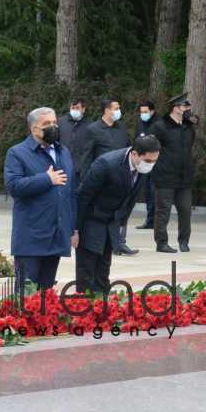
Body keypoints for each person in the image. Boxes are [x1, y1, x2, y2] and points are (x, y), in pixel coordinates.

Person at [4, 107, 78, 291]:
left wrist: (73, 228)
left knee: (46, 296)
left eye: (54, 123)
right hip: (31, 236)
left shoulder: (63, 152)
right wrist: (46, 179)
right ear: (33, 129)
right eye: (46, 124)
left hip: (57, 234)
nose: (52, 127)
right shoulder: (17, 153)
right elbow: (13, 186)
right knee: (26, 294)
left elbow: (71, 193)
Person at [75, 136, 161, 293]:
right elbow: (83, 197)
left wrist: (120, 224)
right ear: (134, 154)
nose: (151, 165)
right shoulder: (106, 164)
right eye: (148, 161)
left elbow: (131, 198)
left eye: (154, 161)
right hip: (91, 219)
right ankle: (83, 309)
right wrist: (74, 229)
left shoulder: (141, 168)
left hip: (111, 222)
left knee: (103, 270)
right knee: (87, 271)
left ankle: (103, 308)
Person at [79, 98, 136, 255]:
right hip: (101, 179)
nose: (119, 111)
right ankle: (101, 241)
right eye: (116, 108)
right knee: (101, 212)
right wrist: (85, 179)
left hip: (121, 177)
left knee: (121, 210)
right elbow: (86, 156)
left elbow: (128, 151)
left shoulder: (122, 128)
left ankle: (119, 243)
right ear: (106, 110)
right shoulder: (93, 129)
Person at [149, 93, 197, 253]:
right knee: (163, 211)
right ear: (175, 108)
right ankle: (161, 243)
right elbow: (151, 147)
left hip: (184, 176)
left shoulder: (188, 126)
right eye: (185, 106)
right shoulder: (160, 126)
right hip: (165, 175)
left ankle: (184, 241)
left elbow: (190, 145)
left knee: (185, 210)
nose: (187, 109)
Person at [134, 101, 161, 230]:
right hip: (143, 163)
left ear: (152, 111)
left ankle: (157, 221)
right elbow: (136, 140)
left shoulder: (159, 124)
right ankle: (149, 221)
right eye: (141, 112)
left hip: (156, 164)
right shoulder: (140, 123)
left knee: (155, 192)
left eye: (145, 112)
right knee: (147, 193)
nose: (143, 114)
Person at [57, 98, 91, 177]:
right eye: (73, 108)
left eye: (77, 108)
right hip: (63, 167)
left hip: (82, 169)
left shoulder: (90, 125)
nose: (74, 110)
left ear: (83, 109)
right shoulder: (60, 122)